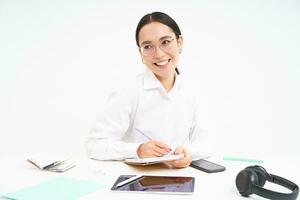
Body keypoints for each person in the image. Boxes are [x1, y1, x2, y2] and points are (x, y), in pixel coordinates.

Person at [86, 12, 212, 168]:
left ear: (179, 43)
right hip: (135, 181)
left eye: (165, 42)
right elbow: (94, 145)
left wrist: (189, 153)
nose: (158, 54)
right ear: (141, 53)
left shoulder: (192, 92)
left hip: (179, 179)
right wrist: (137, 150)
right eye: (148, 47)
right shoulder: (127, 91)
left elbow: (206, 142)